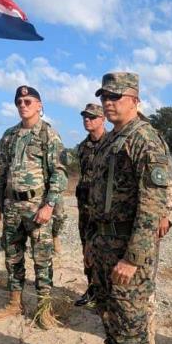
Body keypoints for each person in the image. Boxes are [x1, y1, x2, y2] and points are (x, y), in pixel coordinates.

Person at [76, 72, 172, 344]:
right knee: (107, 311)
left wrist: (132, 259)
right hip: (102, 244)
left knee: (131, 325)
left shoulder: (145, 140)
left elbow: (152, 209)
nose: (108, 102)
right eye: (104, 96)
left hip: (127, 250)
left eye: (116, 96)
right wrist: (90, 244)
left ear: (135, 99)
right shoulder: (110, 140)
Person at [0, 85, 68, 330]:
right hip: (12, 205)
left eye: (28, 101)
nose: (23, 105)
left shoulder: (49, 135)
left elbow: (60, 174)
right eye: (19, 102)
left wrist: (49, 205)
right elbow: (0, 170)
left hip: (37, 206)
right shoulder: (9, 135)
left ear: (40, 105)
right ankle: (15, 302)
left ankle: (44, 309)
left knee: (42, 258)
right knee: (13, 257)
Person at [73, 102, 108, 307]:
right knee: (86, 247)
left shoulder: (113, 144)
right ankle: (93, 289)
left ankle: (107, 293)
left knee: (106, 251)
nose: (87, 119)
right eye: (85, 116)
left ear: (103, 119)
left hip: (106, 209)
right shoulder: (82, 147)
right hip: (85, 208)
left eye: (92, 116)